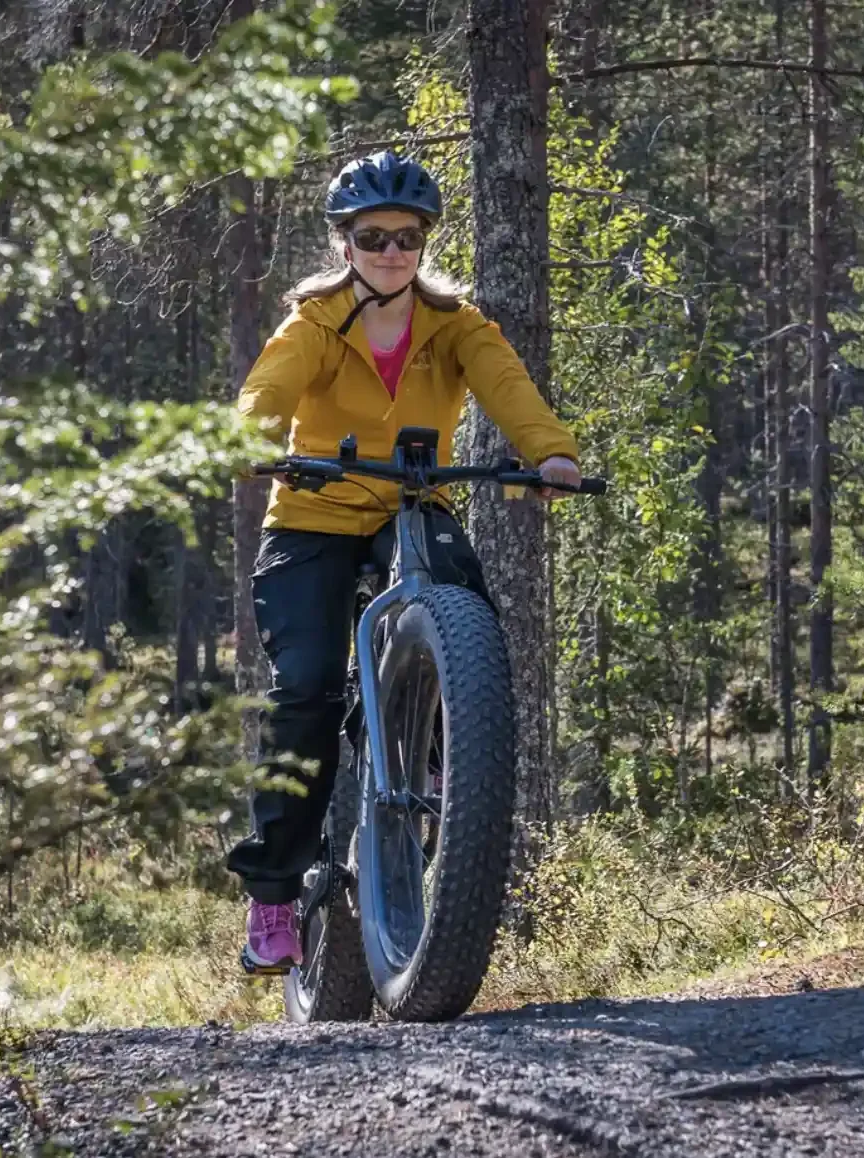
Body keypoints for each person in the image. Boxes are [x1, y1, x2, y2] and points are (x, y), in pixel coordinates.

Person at [226, 150, 582, 973]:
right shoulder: (314, 323)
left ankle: (441, 749)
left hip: (411, 506)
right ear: (344, 242)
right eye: (373, 235)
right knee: (306, 687)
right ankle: (274, 891)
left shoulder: (457, 325)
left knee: (465, 611)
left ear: (424, 243)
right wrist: (248, 444)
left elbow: (510, 390)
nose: (392, 250)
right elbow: (266, 393)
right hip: (313, 514)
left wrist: (551, 455)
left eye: (407, 236)